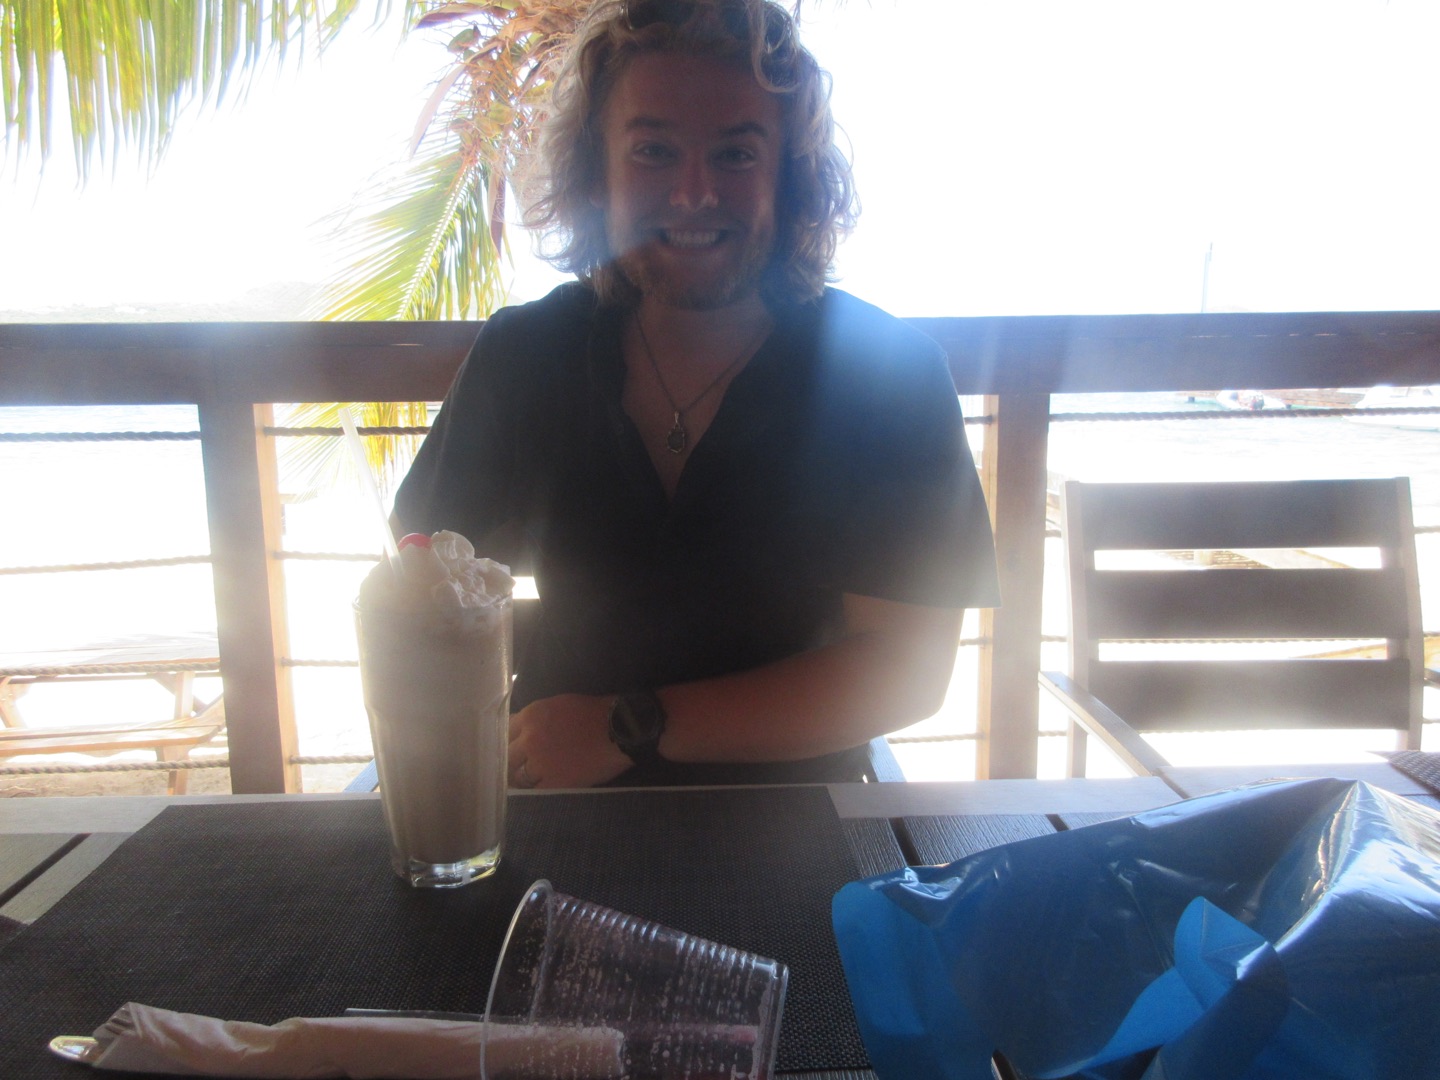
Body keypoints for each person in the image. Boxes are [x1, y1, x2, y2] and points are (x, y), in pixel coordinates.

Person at [392, 0, 999, 788]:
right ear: (598, 174)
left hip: (798, 820)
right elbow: (422, 575)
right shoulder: (525, 354)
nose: (693, 193)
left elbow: (911, 672)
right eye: (653, 151)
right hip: (555, 806)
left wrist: (626, 729)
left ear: (790, 177)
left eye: (736, 154)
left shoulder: (891, 374)